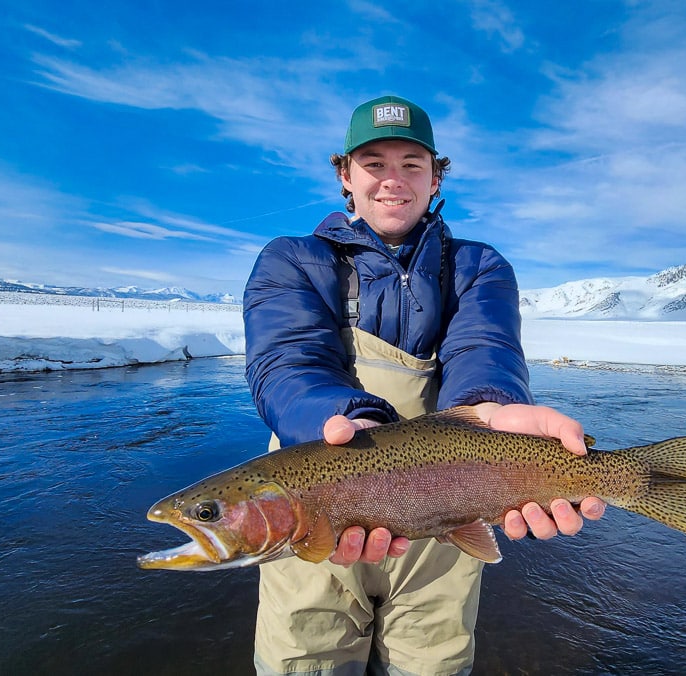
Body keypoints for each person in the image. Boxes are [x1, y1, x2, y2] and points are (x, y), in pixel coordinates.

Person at [243, 94, 606, 676]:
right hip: (317, 505)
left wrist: (492, 409)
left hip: (449, 509)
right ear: (345, 174)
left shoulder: (478, 266)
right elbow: (288, 362)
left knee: (432, 664)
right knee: (304, 660)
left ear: (436, 177)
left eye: (412, 164)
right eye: (375, 163)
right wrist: (344, 427)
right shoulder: (293, 259)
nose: (394, 180)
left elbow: (483, 350)